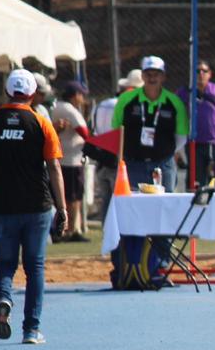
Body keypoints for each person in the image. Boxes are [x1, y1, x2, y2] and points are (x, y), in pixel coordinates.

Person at [0, 69, 66, 345]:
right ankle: (31, 329)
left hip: (3, 207)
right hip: (37, 206)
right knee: (35, 267)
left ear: (8, 92)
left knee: (6, 264)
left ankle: (4, 301)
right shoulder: (41, 122)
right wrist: (63, 208)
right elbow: (54, 167)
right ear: (32, 94)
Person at [113, 56, 189, 192]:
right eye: (148, 74)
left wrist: (164, 152)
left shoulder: (175, 102)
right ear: (142, 75)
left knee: (165, 206)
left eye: (156, 74)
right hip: (133, 163)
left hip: (164, 164)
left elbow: (181, 136)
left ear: (163, 76)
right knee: (135, 206)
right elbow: (116, 130)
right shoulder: (126, 99)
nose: (152, 78)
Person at [177, 59, 215, 191]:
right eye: (197, 71)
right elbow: (177, 119)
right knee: (197, 182)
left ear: (210, 74)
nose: (201, 74)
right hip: (194, 144)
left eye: (204, 71)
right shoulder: (184, 93)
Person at [90, 69, 140, 220]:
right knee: (119, 199)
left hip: (100, 156)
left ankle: (107, 232)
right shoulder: (126, 106)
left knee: (106, 199)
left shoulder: (101, 104)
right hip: (118, 158)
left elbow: (93, 128)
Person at [50, 81, 89, 241]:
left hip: (62, 156)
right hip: (71, 159)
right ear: (75, 95)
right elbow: (84, 132)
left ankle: (65, 229)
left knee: (65, 196)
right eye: (81, 95)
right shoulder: (69, 109)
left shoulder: (56, 106)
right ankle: (71, 230)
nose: (82, 98)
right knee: (74, 197)